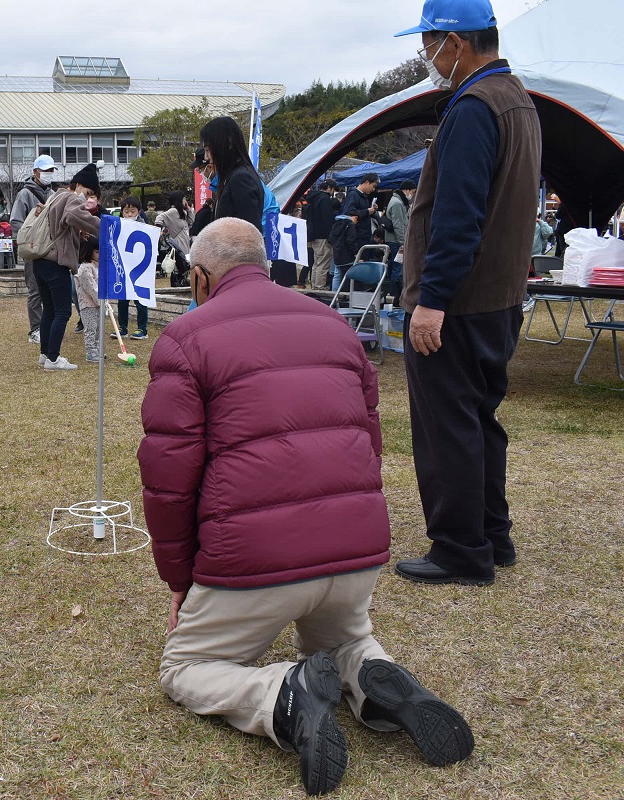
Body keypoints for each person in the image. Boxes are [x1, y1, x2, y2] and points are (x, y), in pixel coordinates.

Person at [139, 217, 474, 796]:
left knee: (184, 667)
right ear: (265, 267)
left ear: (199, 276)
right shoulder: (336, 326)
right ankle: (370, 674)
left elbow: (169, 479)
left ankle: (281, 694)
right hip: (355, 552)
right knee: (343, 639)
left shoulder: (186, 338)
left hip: (255, 560)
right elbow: (369, 443)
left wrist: (180, 578)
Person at [392, 0, 542, 586]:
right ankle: (491, 533)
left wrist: (432, 300)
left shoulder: (474, 107)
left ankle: (459, 548)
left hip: (459, 300)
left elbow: (457, 216)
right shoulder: (519, 101)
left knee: (448, 423)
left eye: (429, 42)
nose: (426, 56)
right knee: (480, 418)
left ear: (455, 42)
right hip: (499, 295)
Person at [32, 162, 102, 371]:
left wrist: (78, 233)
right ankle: (54, 358)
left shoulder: (55, 196)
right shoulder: (70, 197)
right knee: (63, 312)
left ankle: (45, 355)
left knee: (50, 311)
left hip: (40, 260)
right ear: (78, 184)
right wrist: (105, 226)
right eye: (87, 192)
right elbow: (73, 216)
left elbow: (62, 224)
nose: (87, 198)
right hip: (56, 263)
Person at [11, 155, 58, 344]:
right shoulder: (25, 194)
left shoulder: (54, 194)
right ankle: (35, 328)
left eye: (50, 171)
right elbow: (16, 221)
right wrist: (29, 238)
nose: (48, 174)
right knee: (35, 290)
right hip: (32, 250)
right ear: (35, 172)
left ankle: (48, 324)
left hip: (50, 250)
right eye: (44, 170)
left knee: (50, 290)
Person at [200, 117, 265, 231]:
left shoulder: (241, 179)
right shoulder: (232, 177)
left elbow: (251, 235)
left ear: (229, 143)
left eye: (208, 150)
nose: (206, 157)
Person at [116, 197, 149, 339]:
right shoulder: (118, 225)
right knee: (122, 298)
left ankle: (142, 329)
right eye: (126, 211)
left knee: (140, 298)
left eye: (132, 211)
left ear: (139, 212)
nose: (129, 215)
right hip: (123, 267)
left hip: (140, 268)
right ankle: (122, 327)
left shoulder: (145, 227)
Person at [304, 179, 342, 290]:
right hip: (323, 236)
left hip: (313, 235)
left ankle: (315, 285)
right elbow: (327, 220)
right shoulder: (325, 200)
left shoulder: (313, 198)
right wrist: (331, 237)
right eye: (333, 189)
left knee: (317, 263)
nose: (333, 192)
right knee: (323, 264)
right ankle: (319, 286)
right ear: (329, 188)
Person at [156, 191, 192, 296]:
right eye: (184, 198)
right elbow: (160, 218)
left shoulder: (182, 212)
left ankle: (181, 284)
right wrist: (158, 229)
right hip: (178, 243)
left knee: (184, 266)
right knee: (179, 267)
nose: (185, 201)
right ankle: (177, 286)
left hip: (184, 242)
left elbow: (191, 220)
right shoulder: (173, 211)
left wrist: (189, 209)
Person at [74, 238, 101, 363]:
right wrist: (101, 301)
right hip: (88, 304)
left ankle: (98, 350)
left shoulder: (97, 267)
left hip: (98, 303)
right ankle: (91, 351)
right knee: (91, 328)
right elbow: (91, 288)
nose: (99, 255)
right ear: (89, 251)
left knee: (99, 329)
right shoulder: (85, 268)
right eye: (97, 252)